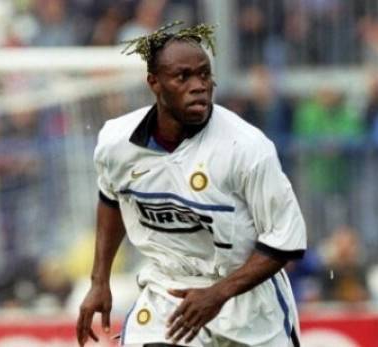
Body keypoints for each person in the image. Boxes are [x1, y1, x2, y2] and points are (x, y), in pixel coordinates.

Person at [77, 22, 306, 347]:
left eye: (204, 74)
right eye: (183, 77)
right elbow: (111, 197)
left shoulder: (246, 147)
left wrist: (217, 294)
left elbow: (285, 242)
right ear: (154, 83)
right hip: (167, 292)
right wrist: (100, 281)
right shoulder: (118, 141)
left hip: (246, 302)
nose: (199, 86)